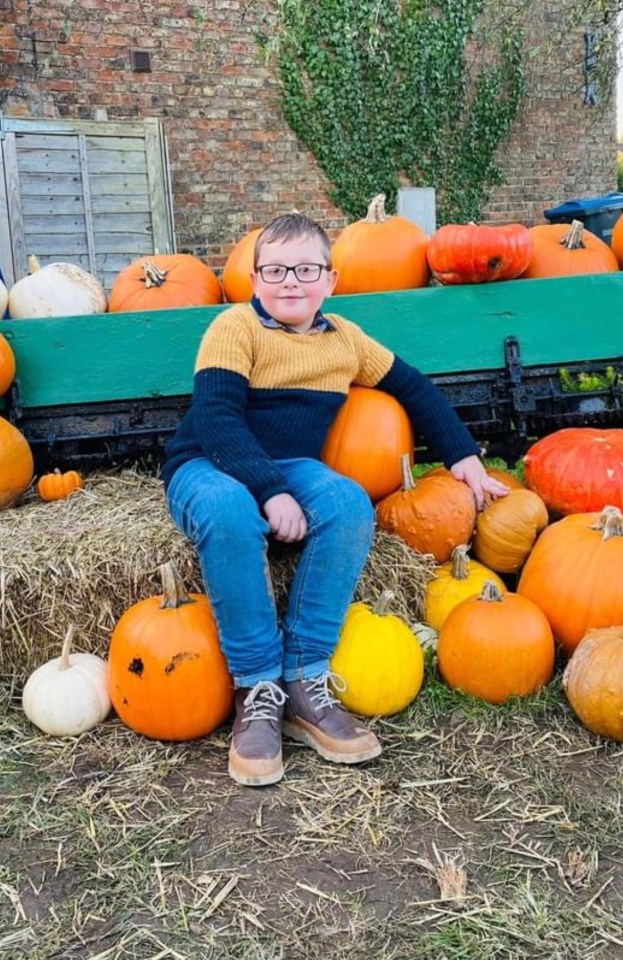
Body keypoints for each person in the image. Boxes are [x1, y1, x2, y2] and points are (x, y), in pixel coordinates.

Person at [162, 212, 508, 788]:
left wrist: (462, 456)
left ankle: (302, 676)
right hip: (207, 460)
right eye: (274, 270)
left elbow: (412, 385)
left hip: (291, 464)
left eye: (305, 269)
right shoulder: (234, 328)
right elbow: (218, 420)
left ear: (331, 280)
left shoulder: (346, 339)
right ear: (253, 278)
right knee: (228, 514)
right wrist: (270, 493)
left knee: (348, 505)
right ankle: (257, 686)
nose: (289, 281)